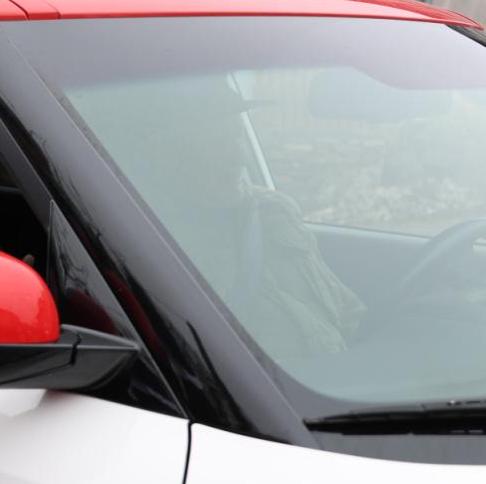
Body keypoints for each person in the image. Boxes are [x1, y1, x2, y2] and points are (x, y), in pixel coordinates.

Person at [81, 77, 365, 360]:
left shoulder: (274, 210)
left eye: (237, 137)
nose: (239, 156)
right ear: (164, 152)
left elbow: (347, 313)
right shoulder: (141, 240)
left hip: (334, 380)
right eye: (218, 142)